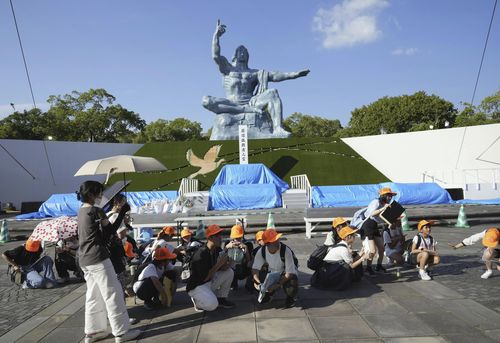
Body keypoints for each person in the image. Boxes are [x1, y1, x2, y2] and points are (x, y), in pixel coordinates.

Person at [202, 20, 309, 137]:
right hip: (231, 103)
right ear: (235, 55)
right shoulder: (228, 69)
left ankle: (278, 128)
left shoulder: (255, 73)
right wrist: (216, 36)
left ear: (248, 56)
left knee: (273, 93)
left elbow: (275, 75)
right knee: (206, 100)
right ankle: (243, 110)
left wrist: (295, 74)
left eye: (245, 51)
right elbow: (215, 56)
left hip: (251, 102)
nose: (242, 53)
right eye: (240, 51)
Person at [76, 180, 141, 343]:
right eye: (99, 192)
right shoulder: (96, 211)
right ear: (91, 194)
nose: (101, 195)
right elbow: (111, 231)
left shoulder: (81, 212)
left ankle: (93, 332)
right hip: (98, 258)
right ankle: (121, 332)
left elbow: (102, 235)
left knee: (93, 295)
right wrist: (122, 212)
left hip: (84, 259)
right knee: (113, 294)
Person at [186, 224, 235, 312]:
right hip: (197, 285)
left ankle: (221, 299)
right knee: (212, 305)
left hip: (208, 282)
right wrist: (219, 263)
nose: (220, 238)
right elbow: (205, 277)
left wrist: (232, 259)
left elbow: (224, 268)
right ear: (210, 238)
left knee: (229, 272)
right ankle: (197, 302)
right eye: (217, 236)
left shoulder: (217, 249)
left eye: (220, 235)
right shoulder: (201, 253)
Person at [252, 229, 299, 308]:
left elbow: (289, 273)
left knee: (292, 282)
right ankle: (268, 294)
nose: (277, 242)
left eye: (277, 239)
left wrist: (277, 285)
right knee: (258, 280)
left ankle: (291, 297)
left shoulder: (286, 250)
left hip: (286, 272)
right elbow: (255, 269)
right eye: (274, 240)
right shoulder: (262, 251)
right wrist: (258, 282)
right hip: (272, 273)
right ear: (267, 244)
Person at [360, 187, 397, 276]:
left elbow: (381, 218)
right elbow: (371, 214)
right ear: (383, 195)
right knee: (372, 250)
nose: (390, 198)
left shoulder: (384, 204)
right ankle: (368, 268)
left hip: (374, 226)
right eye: (388, 195)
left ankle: (378, 266)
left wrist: (391, 220)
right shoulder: (376, 202)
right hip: (368, 225)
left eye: (391, 196)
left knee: (381, 248)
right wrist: (383, 208)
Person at [225, 224, 253, 290]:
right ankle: (233, 284)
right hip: (231, 269)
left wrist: (246, 250)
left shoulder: (248, 245)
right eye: (235, 238)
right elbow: (222, 259)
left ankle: (249, 285)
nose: (237, 240)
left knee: (253, 267)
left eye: (239, 238)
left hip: (243, 268)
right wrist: (226, 248)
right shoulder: (228, 244)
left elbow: (249, 263)